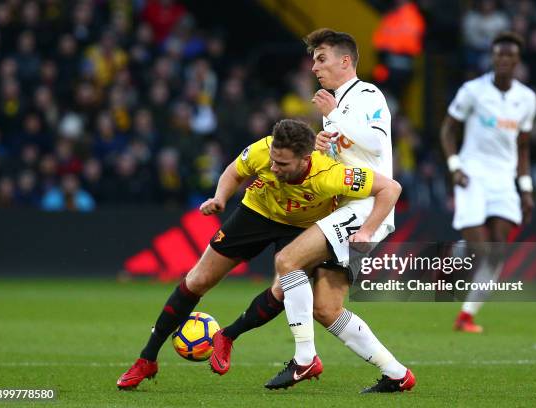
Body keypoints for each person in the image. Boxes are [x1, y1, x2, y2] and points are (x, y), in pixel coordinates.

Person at [116, 118, 401, 390]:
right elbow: (234, 171)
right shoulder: (264, 149)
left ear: (305, 159)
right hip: (255, 213)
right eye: (273, 160)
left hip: (301, 228)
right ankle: (147, 359)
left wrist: (368, 230)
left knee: (283, 289)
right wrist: (220, 198)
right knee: (197, 280)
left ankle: (229, 336)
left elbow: (390, 187)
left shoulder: (330, 174)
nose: (274, 167)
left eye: (283, 163)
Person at [211, 29, 415, 394]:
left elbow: (377, 141)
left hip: (367, 205)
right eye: (314, 59)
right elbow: (349, 153)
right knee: (326, 309)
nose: (314, 66)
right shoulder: (340, 103)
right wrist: (326, 143)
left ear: (345, 61)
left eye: (321, 59)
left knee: (287, 261)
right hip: (346, 205)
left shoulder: (365, 94)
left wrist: (334, 118)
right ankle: (397, 374)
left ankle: (304, 360)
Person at [439, 32, 536, 333]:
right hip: (472, 174)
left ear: (517, 60)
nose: (504, 60)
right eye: (499, 55)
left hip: (504, 180)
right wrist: (455, 166)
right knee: (479, 248)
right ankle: (452, 259)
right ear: (493, 58)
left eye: (510, 56)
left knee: (496, 251)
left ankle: (466, 315)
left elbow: (522, 146)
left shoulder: (527, 99)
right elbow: (447, 131)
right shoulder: (472, 91)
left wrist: (527, 188)